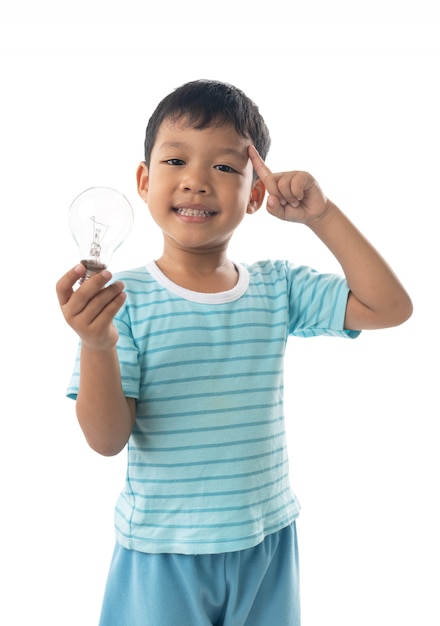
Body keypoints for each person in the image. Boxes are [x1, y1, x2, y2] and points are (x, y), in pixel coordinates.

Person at [56, 79, 413, 626]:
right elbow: (106, 440)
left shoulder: (278, 287)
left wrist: (322, 216)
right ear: (145, 182)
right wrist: (96, 344)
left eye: (224, 167)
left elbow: (390, 307)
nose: (196, 181)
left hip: (267, 542)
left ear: (255, 194)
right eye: (176, 160)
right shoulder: (119, 301)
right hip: (163, 553)